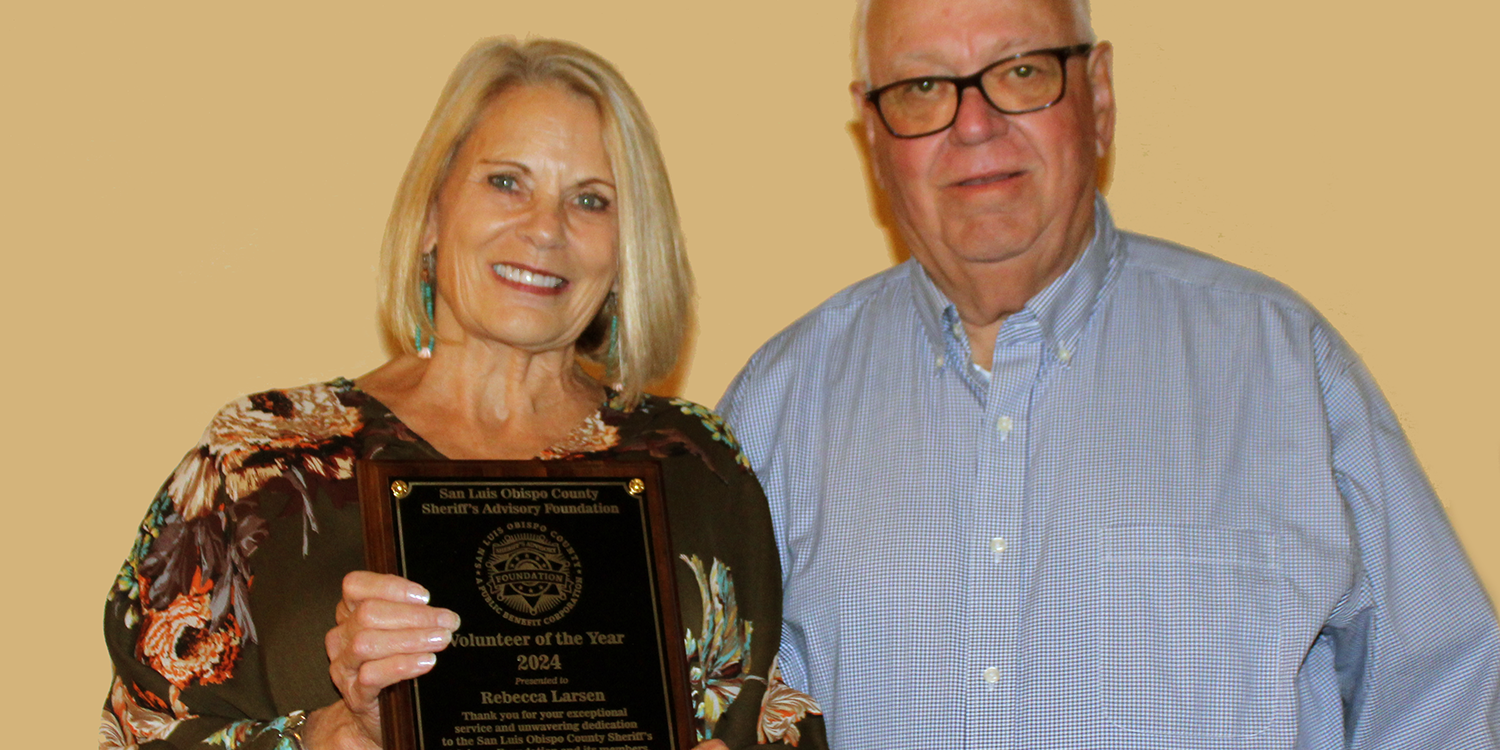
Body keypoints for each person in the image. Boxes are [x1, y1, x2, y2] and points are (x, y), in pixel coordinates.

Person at [717, 0, 1500, 747]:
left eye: (1021, 71)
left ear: (1099, 95)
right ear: (872, 133)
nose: (975, 124)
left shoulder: (1286, 369)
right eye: (922, 88)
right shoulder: (775, 410)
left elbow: (1445, 706)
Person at [102, 38, 825, 750]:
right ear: (431, 215)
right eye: (506, 182)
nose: (546, 228)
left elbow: (775, 715)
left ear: (628, 250)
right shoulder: (262, 458)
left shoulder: (696, 464)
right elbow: (139, 732)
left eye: (591, 200)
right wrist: (326, 737)